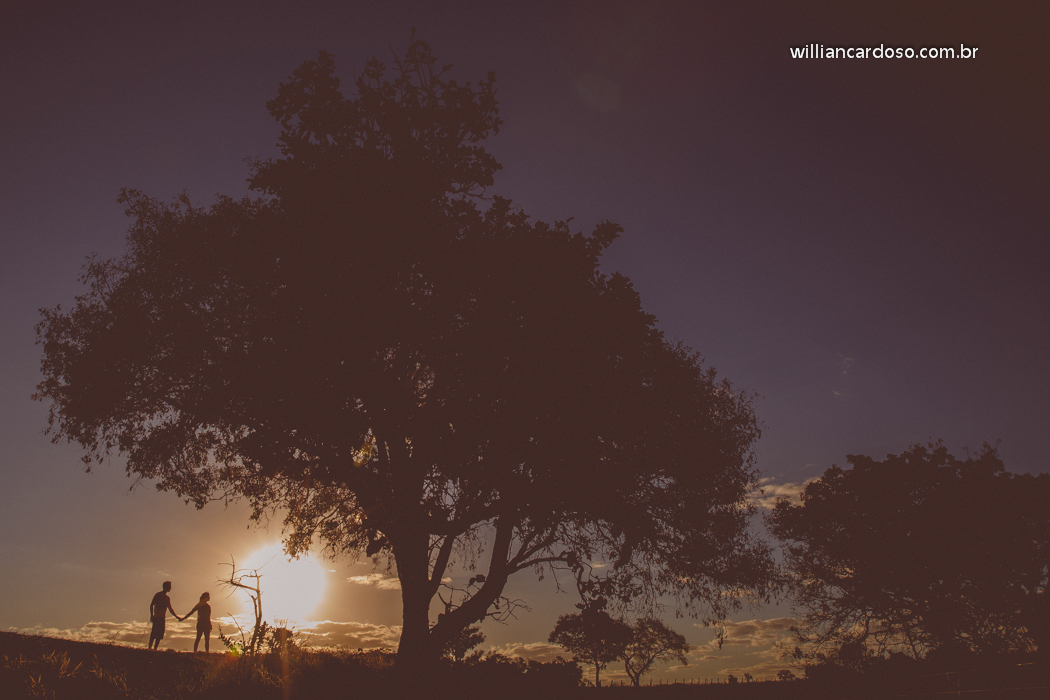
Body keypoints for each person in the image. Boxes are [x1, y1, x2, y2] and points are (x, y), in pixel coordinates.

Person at [148, 581, 180, 650]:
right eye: (169, 586)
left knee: (159, 634)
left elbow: (170, 609)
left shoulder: (167, 598)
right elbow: (151, 605)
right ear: (166, 587)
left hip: (162, 618)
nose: (171, 588)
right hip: (157, 617)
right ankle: (149, 647)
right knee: (154, 633)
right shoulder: (158, 595)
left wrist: (176, 617)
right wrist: (152, 615)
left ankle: (155, 649)